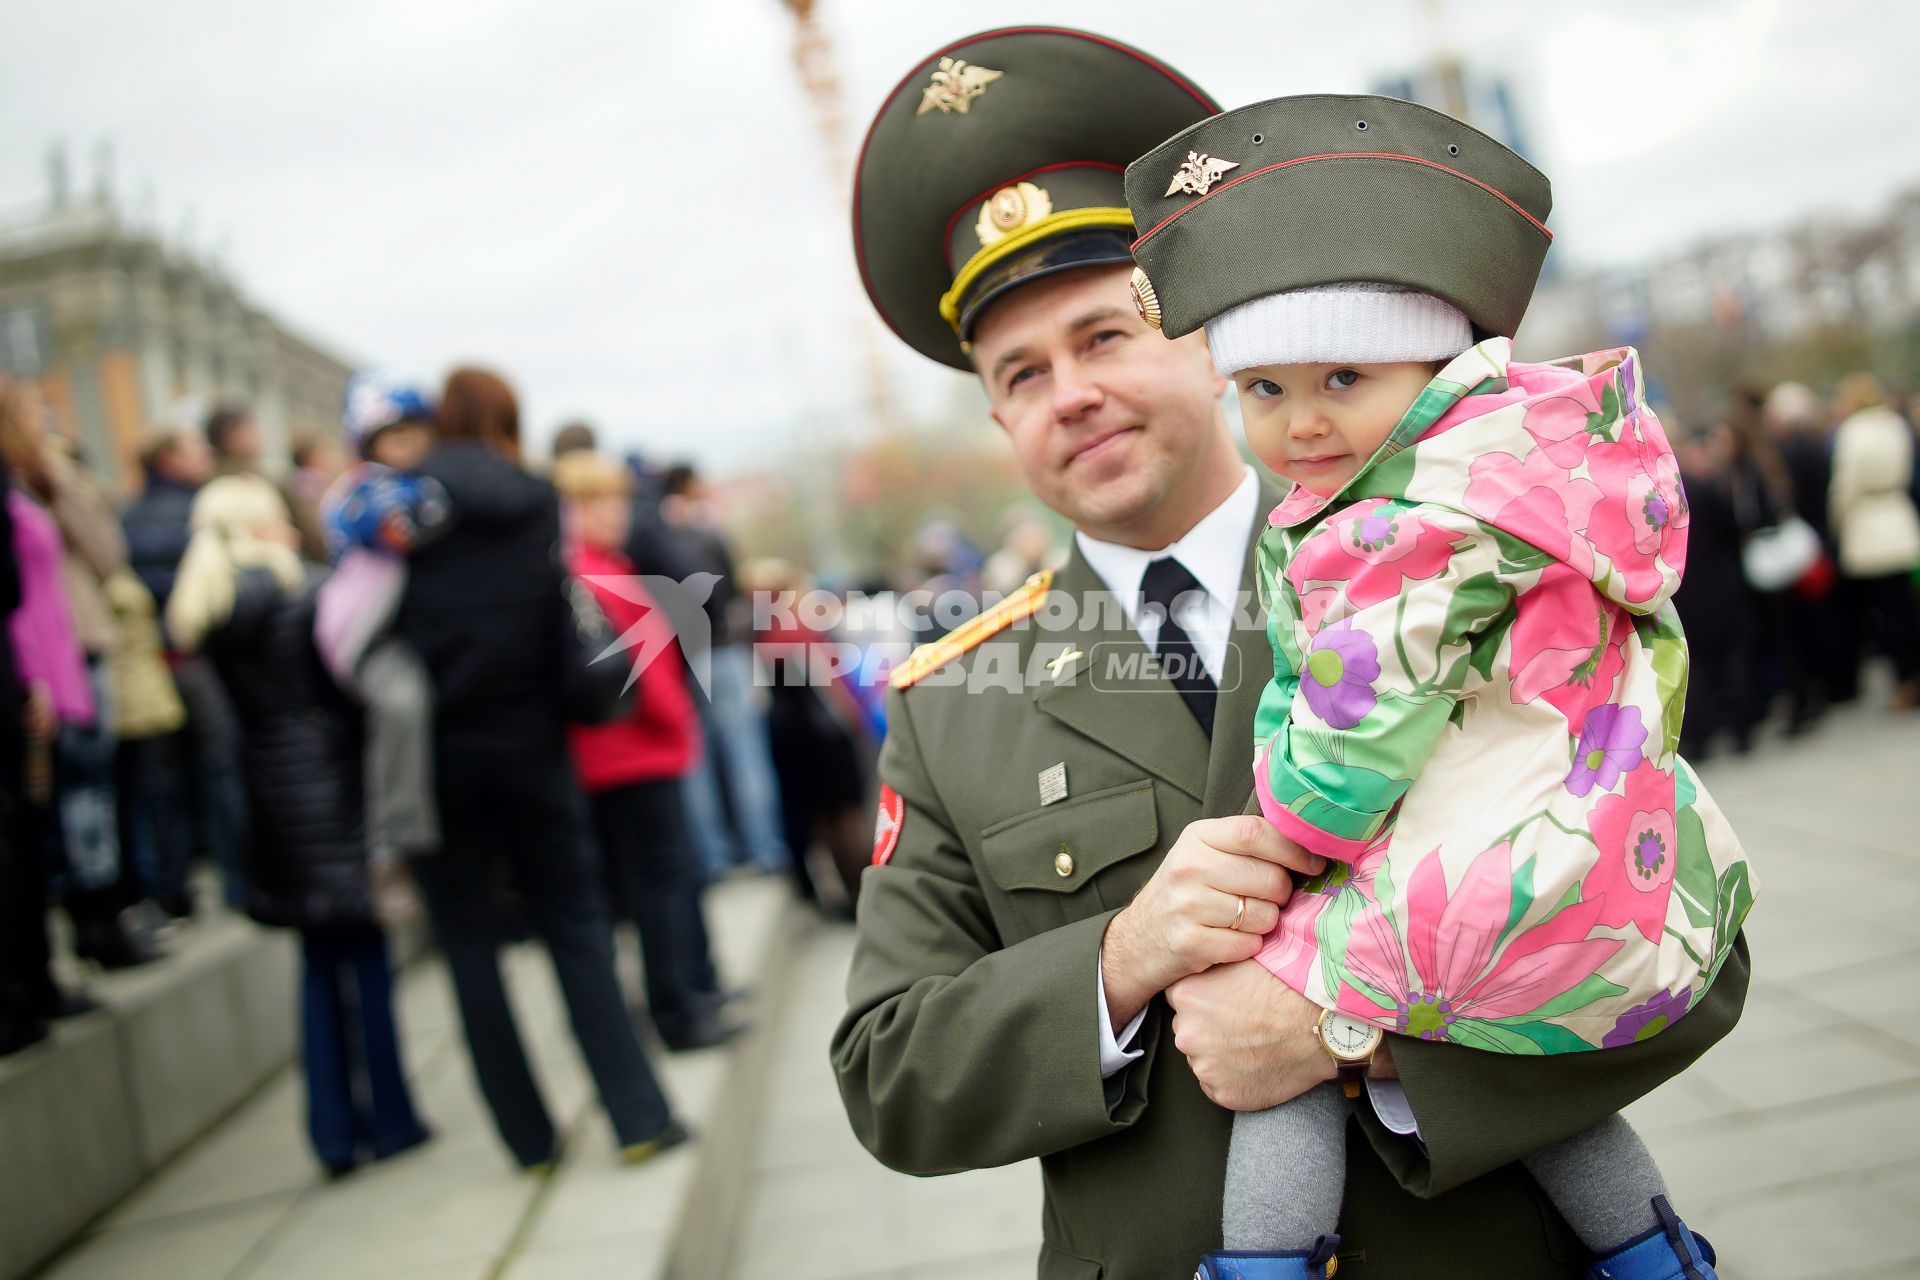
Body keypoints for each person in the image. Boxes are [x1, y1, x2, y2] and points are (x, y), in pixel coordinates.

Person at [832, 28, 1750, 1280]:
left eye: (1104, 337)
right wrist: (1116, 962)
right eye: (1021, 372)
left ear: (1208, 338)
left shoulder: (1466, 548)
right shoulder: (954, 706)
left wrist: (1362, 1035)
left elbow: (1693, 935)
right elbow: (890, 1071)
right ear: (998, 416)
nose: (1072, 395)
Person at [1122, 93, 1751, 1278]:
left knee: (1280, 1057)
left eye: (1342, 376)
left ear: (1432, 368)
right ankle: (1654, 1254)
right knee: (1547, 1102)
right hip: (1571, 843)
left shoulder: (1395, 531)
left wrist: (1296, 826)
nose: (1301, 420)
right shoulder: (1506, 483)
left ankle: (1260, 1265)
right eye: (1263, 390)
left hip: (1466, 865)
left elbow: (1360, 719)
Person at [394, 366, 686, 1170]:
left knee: (467, 943)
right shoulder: (529, 497)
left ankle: (528, 1140)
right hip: (535, 744)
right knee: (576, 926)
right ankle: (638, 1115)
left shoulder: (404, 503)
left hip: (439, 754)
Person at [166, 474, 431, 1177]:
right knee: (366, 955)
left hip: (269, 802)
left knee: (316, 967)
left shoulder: (209, 612)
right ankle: (393, 1117)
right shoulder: (306, 593)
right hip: (334, 789)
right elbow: (348, 694)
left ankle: (332, 1134)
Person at [552, 451, 742, 1051]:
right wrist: (676, 724)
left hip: (634, 753)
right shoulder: (588, 573)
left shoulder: (606, 567)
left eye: (617, 500)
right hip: (630, 754)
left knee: (659, 888)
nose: (614, 513)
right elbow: (648, 673)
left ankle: (683, 1001)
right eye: (595, 502)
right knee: (657, 891)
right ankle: (678, 1012)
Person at [314, 372, 449, 866]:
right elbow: (396, 529)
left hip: (405, 625)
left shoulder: (422, 482)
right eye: (395, 434)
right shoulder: (362, 490)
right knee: (402, 703)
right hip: (365, 631)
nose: (409, 444)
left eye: (417, 431)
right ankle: (394, 836)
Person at [1828, 372, 1920, 709]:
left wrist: (1836, 523)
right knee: (1906, 607)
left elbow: (1846, 485)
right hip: (1899, 518)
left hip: (1869, 526)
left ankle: (1905, 680)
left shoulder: (1852, 432)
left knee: (1887, 613)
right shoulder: (1895, 424)